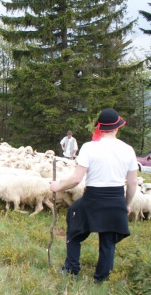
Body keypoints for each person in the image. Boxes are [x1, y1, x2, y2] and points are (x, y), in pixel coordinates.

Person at [50, 108, 137, 283]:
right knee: (108, 241)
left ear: (100, 127)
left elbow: (76, 178)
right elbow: (133, 183)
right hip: (116, 199)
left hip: (93, 198)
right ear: (117, 127)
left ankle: (72, 269)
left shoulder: (89, 147)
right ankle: (101, 278)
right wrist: (127, 205)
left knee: (74, 232)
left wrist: (58, 185)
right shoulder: (128, 150)